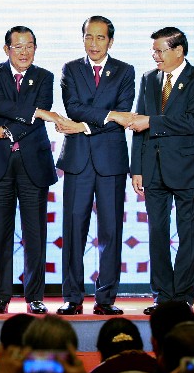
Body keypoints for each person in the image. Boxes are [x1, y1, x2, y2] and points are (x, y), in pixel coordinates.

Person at [54, 16, 135, 316]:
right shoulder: (71, 69)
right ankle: (72, 297)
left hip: (111, 161)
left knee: (111, 230)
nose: (94, 43)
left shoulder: (125, 71)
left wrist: (85, 126)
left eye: (100, 38)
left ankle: (106, 299)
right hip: (78, 161)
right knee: (74, 229)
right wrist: (107, 116)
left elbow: (124, 112)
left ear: (110, 41)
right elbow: (73, 107)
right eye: (89, 37)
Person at [128, 27, 194, 314]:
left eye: (160, 50)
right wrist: (136, 168)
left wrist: (153, 122)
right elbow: (138, 123)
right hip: (152, 169)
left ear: (179, 50)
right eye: (154, 51)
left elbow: (190, 121)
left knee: (188, 233)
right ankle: (162, 296)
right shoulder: (149, 79)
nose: (155, 56)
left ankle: (183, 296)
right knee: (157, 233)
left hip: (186, 169)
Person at [0, 26, 62, 314]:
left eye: (30, 46)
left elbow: (41, 111)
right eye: (18, 47)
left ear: (35, 49)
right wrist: (34, 111)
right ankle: (0, 296)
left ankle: (34, 296)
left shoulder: (46, 77)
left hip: (33, 165)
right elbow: (1, 104)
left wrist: (2, 130)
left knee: (35, 234)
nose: (24, 52)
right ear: (6, 50)